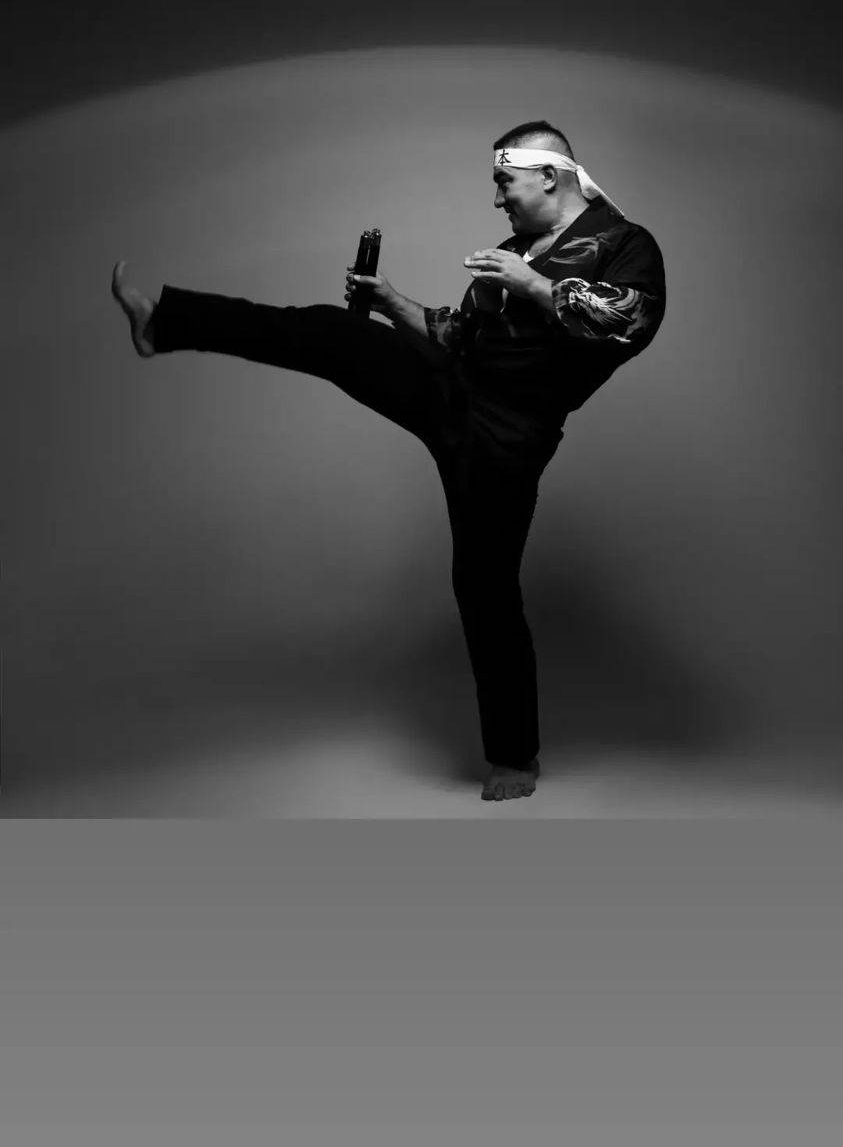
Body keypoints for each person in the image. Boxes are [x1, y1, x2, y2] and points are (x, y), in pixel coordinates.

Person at [112, 121, 666, 803]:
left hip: (507, 436)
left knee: (484, 588)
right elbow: (454, 338)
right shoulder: (511, 252)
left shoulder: (624, 244)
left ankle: (513, 758)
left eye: (504, 182)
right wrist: (391, 303)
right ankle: (163, 323)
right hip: (453, 390)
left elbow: (628, 322)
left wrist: (531, 285)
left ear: (548, 176)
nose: (496, 198)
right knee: (332, 330)